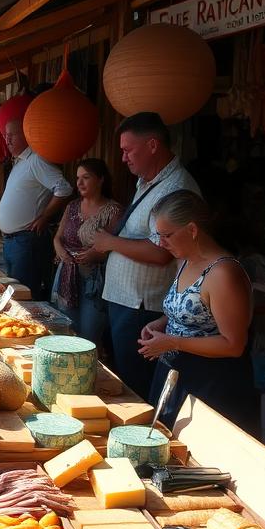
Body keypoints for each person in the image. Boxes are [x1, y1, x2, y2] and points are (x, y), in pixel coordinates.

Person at [93, 112, 201, 399]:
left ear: (153, 145)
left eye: (129, 150)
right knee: (124, 376)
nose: (124, 158)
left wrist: (111, 242)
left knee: (135, 386)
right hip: (124, 298)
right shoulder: (148, 180)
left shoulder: (176, 186)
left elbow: (161, 251)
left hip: (142, 304)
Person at [137, 189, 255, 426]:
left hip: (210, 383)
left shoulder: (223, 273)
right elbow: (195, 312)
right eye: (158, 235)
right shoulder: (185, 260)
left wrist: (173, 342)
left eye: (167, 235)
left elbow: (233, 345)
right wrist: (162, 322)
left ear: (192, 230)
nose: (161, 243)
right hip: (176, 373)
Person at [0, 119, 73, 300]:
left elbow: (64, 188)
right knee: (13, 293)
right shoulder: (20, 163)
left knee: (23, 296)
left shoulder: (36, 160)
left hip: (27, 241)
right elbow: (15, 200)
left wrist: (45, 216)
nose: (8, 140)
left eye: (12, 135)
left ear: (26, 135)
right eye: (6, 136)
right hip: (14, 242)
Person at [52, 159, 123, 346]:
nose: (79, 183)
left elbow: (117, 248)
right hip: (67, 275)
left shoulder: (113, 211)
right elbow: (57, 237)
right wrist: (60, 252)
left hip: (95, 280)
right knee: (66, 331)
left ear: (100, 180)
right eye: (77, 178)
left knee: (89, 336)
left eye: (86, 177)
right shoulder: (72, 206)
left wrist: (96, 254)